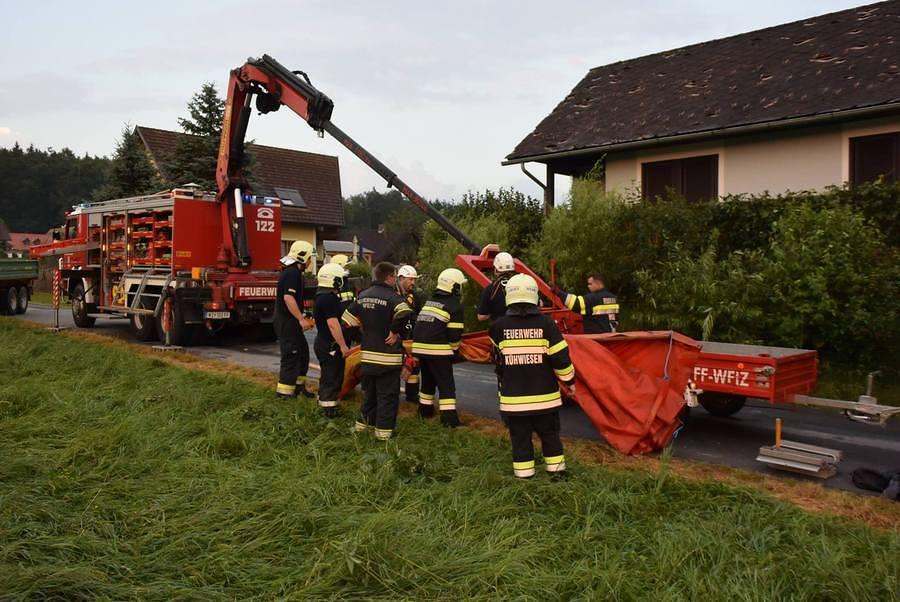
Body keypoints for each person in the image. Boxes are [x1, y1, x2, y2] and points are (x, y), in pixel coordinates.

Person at [490, 274, 576, 480]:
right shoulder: (547, 324)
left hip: (514, 401)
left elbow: (497, 361)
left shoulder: (498, 327)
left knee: (520, 439)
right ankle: (557, 475)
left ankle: (524, 477)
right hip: (545, 399)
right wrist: (569, 381)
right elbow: (560, 358)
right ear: (534, 296)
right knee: (550, 436)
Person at [341, 262, 413, 440]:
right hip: (388, 359)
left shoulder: (363, 296)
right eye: (394, 277)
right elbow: (405, 313)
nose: (395, 280)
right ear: (389, 277)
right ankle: (383, 435)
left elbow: (346, 319)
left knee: (369, 395)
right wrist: (394, 331)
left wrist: (362, 336)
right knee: (387, 397)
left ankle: (362, 428)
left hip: (367, 356)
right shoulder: (394, 298)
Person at [412, 268, 467, 426]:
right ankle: (449, 420)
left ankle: (424, 411)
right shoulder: (454, 306)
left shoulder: (430, 301)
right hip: (438, 350)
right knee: (446, 384)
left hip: (420, 348)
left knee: (428, 381)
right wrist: (454, 351)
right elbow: (454, 335)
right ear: (454, 286)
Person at [274, 240, 315, 399]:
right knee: (291, 355)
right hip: (287, 321)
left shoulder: (294, 273)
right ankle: (284, 394)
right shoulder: (292, 273)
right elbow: (288, 298)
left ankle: (298, 387)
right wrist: (301, 319)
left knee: (302, 353)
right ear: (302, 257)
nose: (310, 261)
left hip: (290, 321)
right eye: (309, 258)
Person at [313, 263, 352, 417]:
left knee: (328, 376)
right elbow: (333, 324)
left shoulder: (321, 296)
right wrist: (342, 345)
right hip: (330, 345)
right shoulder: (329, 299)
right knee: (332, 377)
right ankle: (329, 411)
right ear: (335, 280)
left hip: (323, 343)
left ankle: (323, 403)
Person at [396, 265, 425, 403]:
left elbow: (419, 314)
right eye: (410, 279)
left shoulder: (415, 296)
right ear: (401, 278)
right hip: (395, 335)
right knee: (394, 365)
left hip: (411, 335)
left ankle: (412, 395)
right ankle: (392, 393)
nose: (413, 283)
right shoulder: (392, 294)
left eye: (414, 280)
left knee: (413, 366)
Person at [555, 272, 620, 334]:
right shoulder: (614, 298)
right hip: (611, 337)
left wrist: (558, 292)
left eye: (590, 284)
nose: (588, 286)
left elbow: (575, 303)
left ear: (598, 283)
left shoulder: (593, 298)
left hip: (596, 338)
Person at [477, 251, 516, 322]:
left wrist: (493, 312)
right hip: (519, 327)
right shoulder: (521, 284)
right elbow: (537, 305)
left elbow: (481, 316)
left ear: (495, 269)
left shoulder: (490, 289)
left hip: (499, 327)